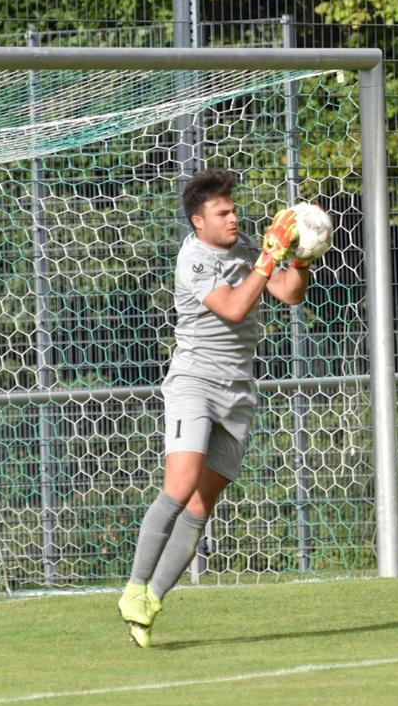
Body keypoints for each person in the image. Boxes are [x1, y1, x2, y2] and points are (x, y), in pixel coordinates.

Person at [116, 168, 312, 647]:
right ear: (197, 222)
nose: (232, 217)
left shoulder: (245, 245)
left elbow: (286, 293)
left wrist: (302, 257)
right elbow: (232, 308)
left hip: (238, 391)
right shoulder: (195, 260)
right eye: (222, 212)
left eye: (233, 209)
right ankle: (134, 587)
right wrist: (268, 258)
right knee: (180, 487)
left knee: (202, 506)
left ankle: (150, 604)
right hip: (194, 384)